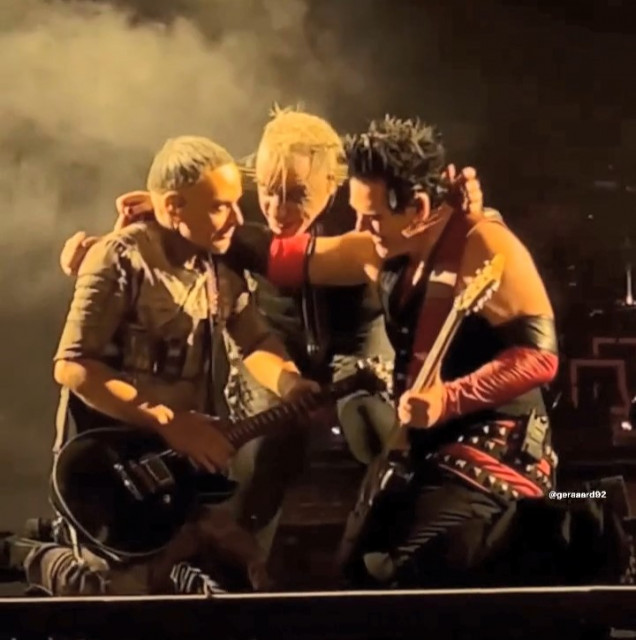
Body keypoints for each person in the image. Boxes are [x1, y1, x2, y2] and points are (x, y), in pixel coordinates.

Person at [255, 116, 560, 587]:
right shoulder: (382, 248)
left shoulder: (482, 242)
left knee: (409, 575)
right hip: (423, 451)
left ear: (418, 207)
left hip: (494, 456)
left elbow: (539, 357)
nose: (361, 226)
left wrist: (448, 399)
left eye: (373, 217)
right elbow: (281, 258)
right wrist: (171, 211)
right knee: (355, 575)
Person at [13, 135, 320, 596]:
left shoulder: (217, 269)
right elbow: (74, 367)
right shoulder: (120, 258)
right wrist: (168, 421)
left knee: (241, 573)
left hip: (180, 466)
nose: (237, 219)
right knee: (112, 593)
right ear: (174, 207)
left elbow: (254, 338)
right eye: (220, 206)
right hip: (109, 464)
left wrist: (290, 383)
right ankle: (33, 555)